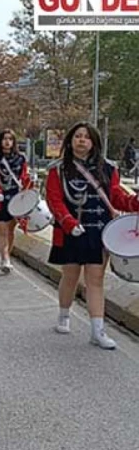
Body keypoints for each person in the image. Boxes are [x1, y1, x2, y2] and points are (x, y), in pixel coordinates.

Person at [45, 122, 139, 350]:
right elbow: (54, 200)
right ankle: (64, 315)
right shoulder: (57, 169)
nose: (81, 140)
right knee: (70, 276)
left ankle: (97, 331)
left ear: (94, 142)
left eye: (86, 137)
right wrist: (68, 222)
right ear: (70, 140)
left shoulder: (107, 168)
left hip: (99, 231)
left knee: (95, 280)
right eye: (77, 136)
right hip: (71, 231)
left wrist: (135, 202)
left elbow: (116, 195)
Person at [0, 129, 30, 273]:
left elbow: (24, 177)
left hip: (16, 199)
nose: (7, 142)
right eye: (5, 139)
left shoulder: (21, 158)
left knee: (11, 230)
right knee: (3, 231)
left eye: (10, 139)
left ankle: (7, 255)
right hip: (1, 199)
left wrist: (29, 183)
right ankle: (5, 258)